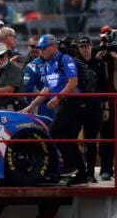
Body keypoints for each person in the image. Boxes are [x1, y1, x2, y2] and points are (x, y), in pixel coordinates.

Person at [21, 35, 88, 186]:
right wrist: (31, 106)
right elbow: (46, 89)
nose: (41, 51)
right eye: (39, 49)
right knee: (69, 138)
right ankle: (81, 174)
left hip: (70, 101)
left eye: (43, 48)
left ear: (53, 47)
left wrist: (58, 97)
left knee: (55, 131)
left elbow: (73, 82)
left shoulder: (65, 59)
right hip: (62, 102)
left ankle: (69, 165)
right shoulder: (47, 65)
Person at [74, 36, 108, 183]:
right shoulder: (75, 62)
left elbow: (103, 85)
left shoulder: (99, 63)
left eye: (86, 46)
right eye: (81, 47)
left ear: (91, 46)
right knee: (72, 137)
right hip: (78, 105)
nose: (84, 49)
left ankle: (90, 172)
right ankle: (78, 169)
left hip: (94, 105)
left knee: (92, 140)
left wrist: (106, 106)